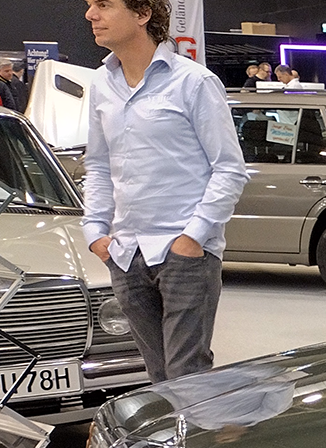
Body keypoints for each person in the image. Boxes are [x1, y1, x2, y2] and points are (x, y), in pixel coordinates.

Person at [82, 0, 249, 382]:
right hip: (125, 253)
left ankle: (194, 427)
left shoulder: (193, 82)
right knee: (158, 377)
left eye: (104, 4)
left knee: (186, 375)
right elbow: (99, 165)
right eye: (90, 5)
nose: (91, 15)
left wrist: (193, 237)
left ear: (142, 14)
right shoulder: (101, 83)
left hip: (184, 253)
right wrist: (95, 232)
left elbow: (229, 168)